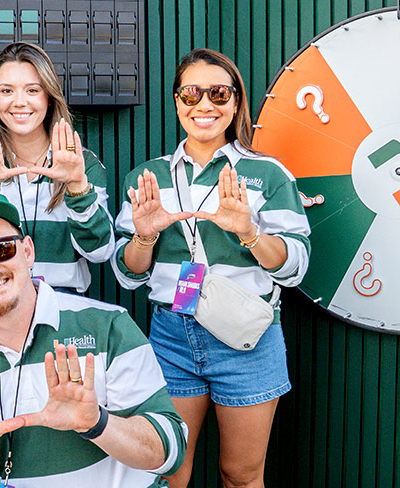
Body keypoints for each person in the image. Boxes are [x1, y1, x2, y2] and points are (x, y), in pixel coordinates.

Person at [111, 48, 311, 488]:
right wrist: (144, 237)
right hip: (171, 335)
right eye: (191, 94)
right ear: (177, 101)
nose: (204, 104)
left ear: (236, 102)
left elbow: (295, 266)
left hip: (246, 338)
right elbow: (128, 274)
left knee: (240, 475)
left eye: (218, 93)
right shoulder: (148, 178)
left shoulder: (267, 174)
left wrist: (249, 232)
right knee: (166, 473)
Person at [0, 189, 187, 487]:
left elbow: (170, 449)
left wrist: (96, 423)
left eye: (1, 249)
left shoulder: (107, 325)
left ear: (28, 252)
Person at [0, 41, 114, 338]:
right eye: (7, 91)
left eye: (32, 90)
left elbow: (101, 252)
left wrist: (76, 186)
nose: (19, 102)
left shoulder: (82, 163)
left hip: (62, 301)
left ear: (49, 97)